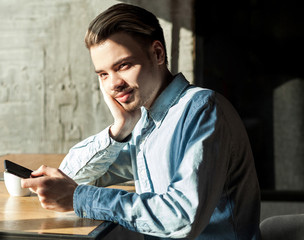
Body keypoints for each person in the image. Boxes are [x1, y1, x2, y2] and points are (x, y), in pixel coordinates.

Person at [21, 3, 261, 239]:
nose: (113, 84)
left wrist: (80, 198)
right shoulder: (146, 123)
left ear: (157, 53)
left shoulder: (203, 110)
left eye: (123, 65)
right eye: (103, 74)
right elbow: (73, 175)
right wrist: (119, 129)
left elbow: (182, 218)